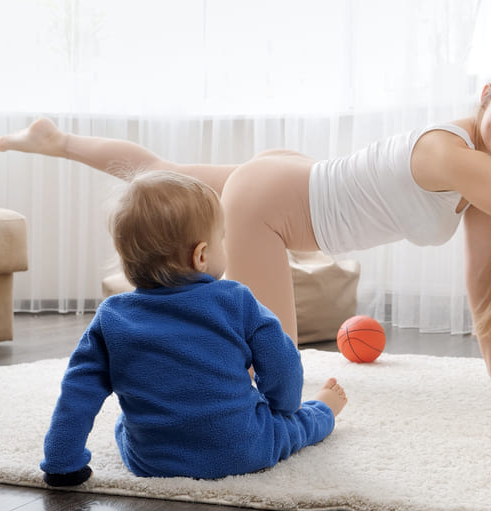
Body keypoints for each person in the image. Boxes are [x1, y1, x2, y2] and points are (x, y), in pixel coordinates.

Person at [0, 51, 491, 388]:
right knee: (276, 370)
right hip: (275, 205)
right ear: (486, 98)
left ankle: (55, 140)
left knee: (154, 174)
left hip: (292, 179)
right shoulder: (452, 154)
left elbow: (481, 269)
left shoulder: (480, 179)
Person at [40, 171, 347, 486]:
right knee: (296, 426)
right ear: (201, 255)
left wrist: (61, 460)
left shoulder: (111, 317)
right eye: (222, 239)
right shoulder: (237, 300)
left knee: (124, 425)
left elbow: (78, 393)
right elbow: (283, 365)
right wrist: (284, 408)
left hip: (151, 460)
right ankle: (325, 409)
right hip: (244, 449)